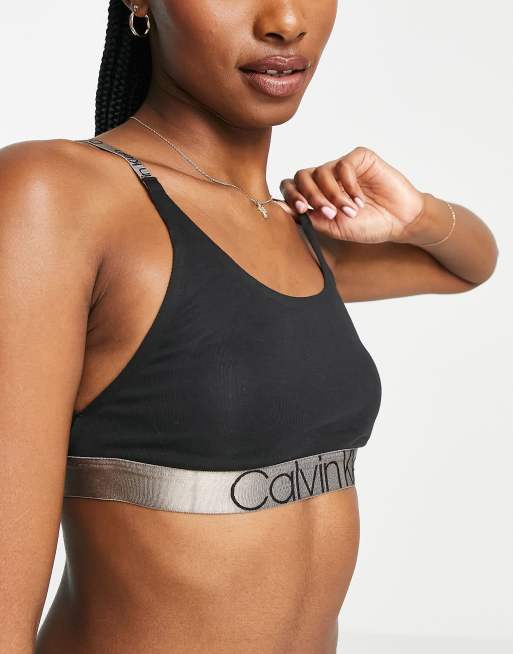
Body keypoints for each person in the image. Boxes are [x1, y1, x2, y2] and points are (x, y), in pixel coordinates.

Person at [0, 1, 498, 653]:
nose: (286, 20)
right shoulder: (56, 195)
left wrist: (417, 214)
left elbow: (469, 265)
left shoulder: (293, 227)